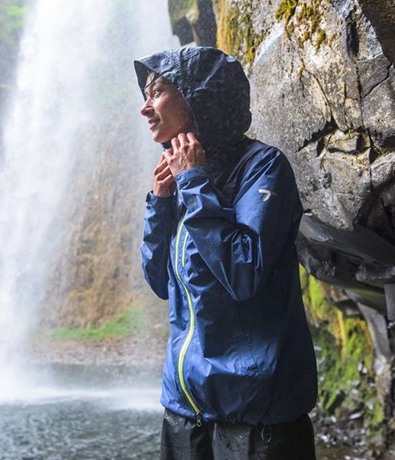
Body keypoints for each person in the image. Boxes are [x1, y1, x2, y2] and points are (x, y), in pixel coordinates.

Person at [134, 46, 318, 459]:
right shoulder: (183, 178)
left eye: (157, 91)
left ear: (197, 94)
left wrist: (195, 183)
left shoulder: (263, 167)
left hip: (256, 415)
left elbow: (243, 272)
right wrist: (161, 205)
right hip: (185, 408)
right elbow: (161, 283)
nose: (145, 108)